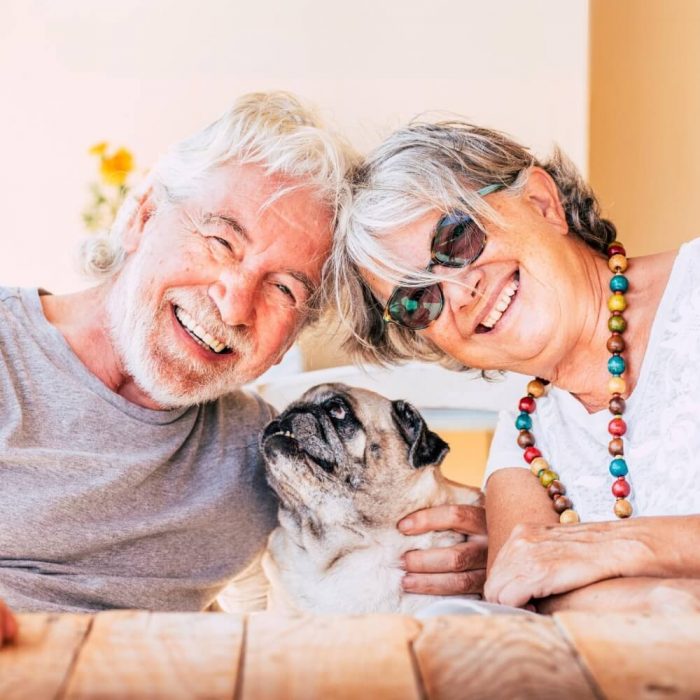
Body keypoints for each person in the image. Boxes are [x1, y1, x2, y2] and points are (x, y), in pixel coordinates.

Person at [0, 92, 355, 645]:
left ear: (292, 337)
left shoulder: (263, 455)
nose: (236, 305)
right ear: (143, 218)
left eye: (284, 288)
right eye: (221, 242)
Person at [331, 120, 700, 613]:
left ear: (541, 202)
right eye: (418, 301)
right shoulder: (526, 440)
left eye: (457, 239)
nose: (461, 293)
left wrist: (625, 546)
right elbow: (525, 597)